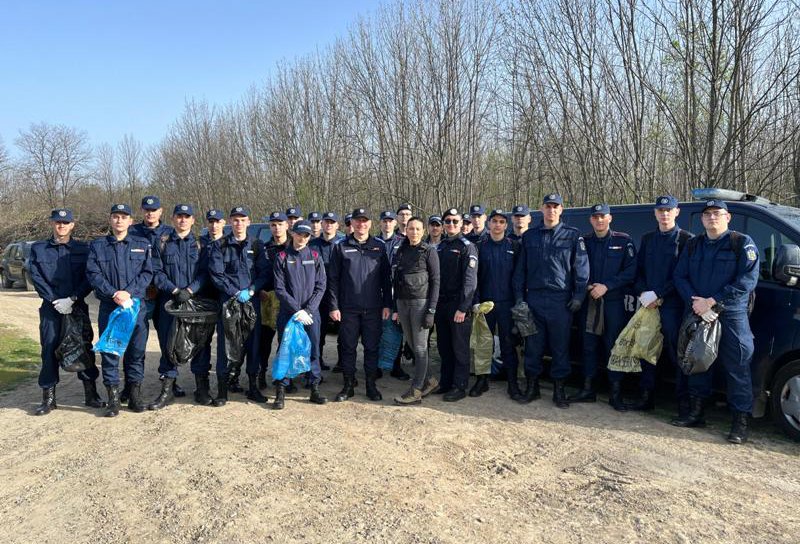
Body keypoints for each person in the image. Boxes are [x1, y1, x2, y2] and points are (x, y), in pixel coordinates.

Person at [673, 200, 759, 444]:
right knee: (699, 362)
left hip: (730, 314)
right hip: (698, 312)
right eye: (707, 214)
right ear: (702, 219)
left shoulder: (741, 243)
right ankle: (697, 412)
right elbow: (679, 276)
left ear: (727, 217)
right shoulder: (693, 244)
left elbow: (747, 280)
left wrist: (713, 300)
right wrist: (697, 303)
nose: (712, 218)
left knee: (737, 366)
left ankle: (739, 423)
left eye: (717, 214)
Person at [513, 193, 589, 408]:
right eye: (548, 206)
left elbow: (581, 270)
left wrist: (578, 296)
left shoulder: (572, 235)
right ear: (542, 209)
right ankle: (532, 387)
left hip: (560, 301)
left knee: (560, 347)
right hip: (534, 299)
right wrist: (520, 299)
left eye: (556, 206)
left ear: (561, 210)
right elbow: (520, 272)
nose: (551, 210)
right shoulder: (530, 236)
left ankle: (559, 390)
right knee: (533, 347)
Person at [29, 208, 105, 415]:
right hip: (51, 308)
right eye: (57, 222)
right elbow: (36, 277)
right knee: (49, 350)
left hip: (76, 307)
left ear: (72, 225)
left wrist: (72, 299)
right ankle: (49, 398)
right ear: (52, 224)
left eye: (65, 223)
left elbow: (89, 276)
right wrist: (54, 300)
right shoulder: (39, 248)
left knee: (83, 348)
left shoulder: (83, 249)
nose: (61, 226)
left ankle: (91, 394)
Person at [86, 204, 153, 417]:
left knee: (136, 352)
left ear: (131, 221)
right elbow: (93, 274)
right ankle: (113, 398)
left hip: (135, 308)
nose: (119, 221)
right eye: (115, 217)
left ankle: (134, 395)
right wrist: (114, 293)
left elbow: (147, 273)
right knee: (110, 352)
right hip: (110, 307)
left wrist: (129, 293)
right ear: (110, 220)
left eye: (124, 217)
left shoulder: (142, 244)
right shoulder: (98, 246)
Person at [568, 204, 636, 410]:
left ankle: (615, 393)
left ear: (610, 218)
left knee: (613, 346)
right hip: (589, 301)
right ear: (591, 220)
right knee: (588, 346)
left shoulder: (623, 241)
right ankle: (588, 389)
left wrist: (607, 286)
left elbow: (631, 271)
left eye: (602, 216)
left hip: (613, 303)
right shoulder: (583, 242)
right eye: (595, 217)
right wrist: (587, 286)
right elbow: (574, 267)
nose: (599, 220)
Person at [629, 195, 693, 413]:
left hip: (673, 307)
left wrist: (659, 294)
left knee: (678, 354)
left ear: (677, 212)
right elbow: (637, 271)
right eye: (660, 210)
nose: (664, 214)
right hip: (648, 305)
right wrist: (643, 293)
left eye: (669, 210)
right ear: (655, 213)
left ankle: (683, 404)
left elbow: (683, 275)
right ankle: (646, 398)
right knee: (647, 351)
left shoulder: (686, 239)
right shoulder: (648, 239)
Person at [207, 206, 270, 406]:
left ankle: (253, 387)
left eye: (242, 220)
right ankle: (223, 391)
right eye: (235, 220)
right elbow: (217, 274)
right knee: (226, 345)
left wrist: (251, 290)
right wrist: (234, 292)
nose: (239, 223)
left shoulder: (258, 245)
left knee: (253, 345)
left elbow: (264, 273)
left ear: (249, 222)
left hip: (251, 301)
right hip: (229, 302)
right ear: (230, 223)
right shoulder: (221, 245)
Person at [328, 208, 392, 402]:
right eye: (357, 221)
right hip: (348, 308)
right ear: (352, 224)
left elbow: (386, 279)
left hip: (373, 308)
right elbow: (333, 279)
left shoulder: (379, 246)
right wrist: (333, 306)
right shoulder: (340, 246)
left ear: (370, 224)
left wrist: (387, 305)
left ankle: (371, 386)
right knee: (348, 347)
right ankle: (348, 386)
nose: (361, 224)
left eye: (364, 221)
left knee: (372, 348)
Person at [147, 204, 208, 411]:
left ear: (193, 220)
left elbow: (205, 273)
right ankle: (167, 390)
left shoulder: (201, 244)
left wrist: (190, 290)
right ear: (172, 219)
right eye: (179, 216)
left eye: (187, 217)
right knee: (168, 343)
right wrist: (174, 290)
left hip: (194, 302)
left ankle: (201, 388)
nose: (182, 220)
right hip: (170, 302)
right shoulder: (162, 242)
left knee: (199, 344)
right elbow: (157, 271)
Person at [128, 195, 183, 400]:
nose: (150, 213)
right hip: (140, 294)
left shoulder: (170, 233)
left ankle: (170, 380)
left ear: (161, 212)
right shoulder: (132, 232)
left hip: (163, 294)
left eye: (154, 210)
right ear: (142, 211)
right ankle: (132, 385)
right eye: (146, 210)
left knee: (167, 339)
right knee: (135, 342)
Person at [272, 220, 328, 409]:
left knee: (313, 350)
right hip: (289, 313)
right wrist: (297, 311)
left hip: (311, 314)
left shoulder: (315, 255)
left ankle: (314, 387)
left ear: (309, 237)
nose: (302, 238)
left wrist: (308, 310)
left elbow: (321, 286)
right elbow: (279, 289)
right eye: (299, 234)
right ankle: (281, 390)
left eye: (306, 235)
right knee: (286, 350)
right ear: (292, 234)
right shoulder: (281, 257)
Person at [473, 209, 522, 400]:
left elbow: (519, 278)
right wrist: (476, 303)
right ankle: (482, 381)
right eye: (494, 221)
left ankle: (513, 383)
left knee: (509, 345)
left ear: (506, 225)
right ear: (489, 224)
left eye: (502, 221)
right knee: (484, 345)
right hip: (485, 304)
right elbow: (474, 278)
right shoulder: (480, 247)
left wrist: (518, 303)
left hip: (507, 304)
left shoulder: (514, 246)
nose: (497, 225)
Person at [391, 217, 441, 404]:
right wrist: (396, 305)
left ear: (423, 230)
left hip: (421, 303)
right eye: (411, 228)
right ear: (406, 230)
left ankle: (416, 389)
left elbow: (436, 282)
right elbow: (396, 279)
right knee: (412, 345)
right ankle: (429, 381)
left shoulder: (429, 251)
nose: (414, 232)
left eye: (418, 229)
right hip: (403, 303)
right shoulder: (401, 250)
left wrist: (431, 311)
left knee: (420, 348)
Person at [433, 208, 478, 401]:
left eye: (454, 221)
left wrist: (463, 307)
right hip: (441, 304)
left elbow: (470, 281)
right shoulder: (440, 246)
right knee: (444, 347)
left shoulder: (467, 246)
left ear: (461, 224)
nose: (451, 224)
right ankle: (446, 382)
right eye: (448, 221)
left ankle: (460, 386)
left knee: (459, 348)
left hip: (458, 306)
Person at [192, 208, 227, 406]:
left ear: (224, 223)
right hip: (203, 298)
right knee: (201, 343)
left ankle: (225, 383)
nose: (214, 225)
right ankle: (201, 386)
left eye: (217, 221)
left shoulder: (229, 243)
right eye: (211, 221)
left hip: (224, 298)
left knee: (225, 342)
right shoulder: (199, 244)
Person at [258, 212, 291, 389]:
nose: (276, 228)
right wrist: (259, 290)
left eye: (280, 224)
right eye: (273, 224)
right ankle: (261, 374)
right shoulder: (263, 248)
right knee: (264, 341)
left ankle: (283, 377)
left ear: (287, 225)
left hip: (287, 299)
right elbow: (255, 271)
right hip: (266, 298)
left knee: (285, 341)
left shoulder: (293, 247)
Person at [310, 212, 345, 373]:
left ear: (338, 225)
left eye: (332, 222)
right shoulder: (312, 244)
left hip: (340, 294)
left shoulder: (343, 244)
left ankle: (342, 362)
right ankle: (318, 360)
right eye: (326, 222)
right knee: (319, 331)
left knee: (343, 330)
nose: (329, 225)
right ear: (322, 224)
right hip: (319, 295)